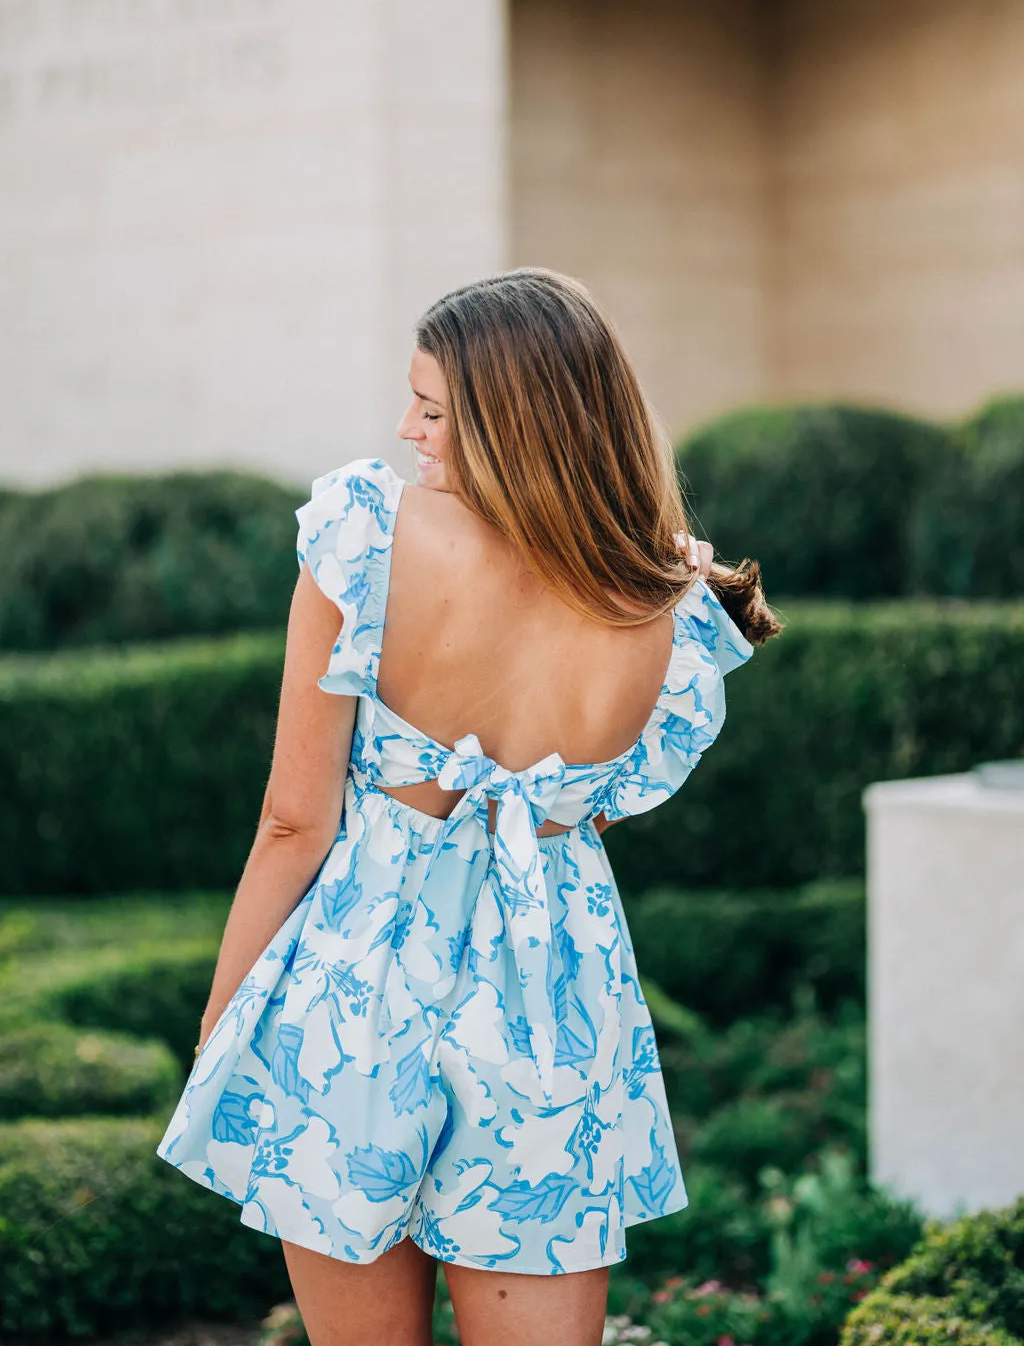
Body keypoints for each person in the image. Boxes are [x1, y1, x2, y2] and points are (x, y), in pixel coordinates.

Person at [158, 268, 781, 1346]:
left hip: (356, 992)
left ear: (519, 422)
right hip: (553, 1005)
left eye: (435, 411)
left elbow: (292, 823)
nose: (406, 429)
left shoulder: (362, 533)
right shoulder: (668, 602)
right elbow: (601, 810)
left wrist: (226, 1024)